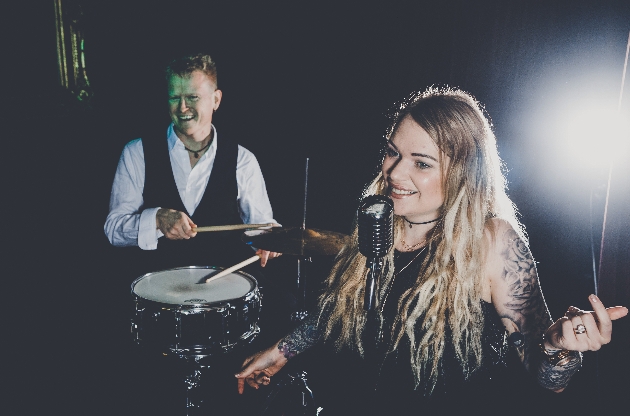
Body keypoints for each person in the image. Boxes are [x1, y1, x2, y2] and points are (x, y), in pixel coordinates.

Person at [234, 87, 628, 414]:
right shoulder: (377, 219)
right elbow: (343, 309)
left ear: (462, 172)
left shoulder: (491, 241)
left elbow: (544, 375)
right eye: (393, 153)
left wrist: (557, 348)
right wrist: (282, 350)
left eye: (421, 163)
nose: (394, 172)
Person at [104, 53, 280, 271]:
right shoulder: (136, 152)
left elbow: (261, 228)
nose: (182, 108)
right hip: (158, 293)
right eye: (174, 97)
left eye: (192, 97)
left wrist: (270, 242)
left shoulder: (243, 160)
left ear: (216, 99)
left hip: (223, 291)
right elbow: (114, 231)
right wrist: (157, 218)